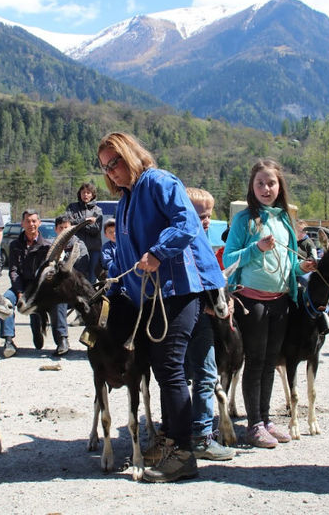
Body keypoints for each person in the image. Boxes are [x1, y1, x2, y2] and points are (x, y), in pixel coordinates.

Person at [98, 132, 226, 483]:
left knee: (170, 368)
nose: (111, 173)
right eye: (105, 168)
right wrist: (111, 280)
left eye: (115, 163)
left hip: (178, 287)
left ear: (130, 155)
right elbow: (125, 256)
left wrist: (158, 252)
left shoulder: (159, 181)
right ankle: (172, 443)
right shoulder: (124, 201)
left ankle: (184, 453)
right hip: (150, 297)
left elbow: (186, 222)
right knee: (161, 368)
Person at [222, 159, 317, 450]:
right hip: (252, 301)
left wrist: (303, 267)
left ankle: (265, 419)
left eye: (271, 183)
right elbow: (229, 259)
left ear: (280, 186)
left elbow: (288, 263)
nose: (266, 188)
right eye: (260, 183)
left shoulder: (285, 219)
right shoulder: (244, 220)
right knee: (255, 361)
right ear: (252, 186)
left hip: (281, 302)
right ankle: (254, 426)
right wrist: (257, 247)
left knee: (272, 360)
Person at [182, 187, 235, 461]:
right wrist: (204, 306)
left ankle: (189, 432)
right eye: (200, 214)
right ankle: (198, 436)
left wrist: (227, 299)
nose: (206, 220)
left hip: (204, 318)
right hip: (193, 319)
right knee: (201, 375)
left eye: (209, 215)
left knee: (202, 374)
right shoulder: (184, 245)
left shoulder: (203, 244)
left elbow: (216, 281)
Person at [0, 209, 52, 358]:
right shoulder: (15, 245)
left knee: (35, 312)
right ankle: (9, 340)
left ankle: (37, 333)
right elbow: (13, 271)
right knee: (6, 302)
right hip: (19, 285)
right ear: (22, 223)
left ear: (39, 223)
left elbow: (44, 272)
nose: (31, 224)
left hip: (36, 287)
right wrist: (19, 291)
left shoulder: (46, 246)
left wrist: (34, 292)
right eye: (28, 221)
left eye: (34, 221)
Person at [49, 215, 89, 356]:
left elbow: (81, 271)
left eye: (67, 228)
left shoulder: (79, 246)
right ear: (56, 229)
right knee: (56, 301)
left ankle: (90, 340)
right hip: (55, 290)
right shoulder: (50, 246)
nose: (65, 231)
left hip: (75, 290)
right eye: (61, 228)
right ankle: (62, 340)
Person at [65, 182, 103, 283]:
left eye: (88, 192)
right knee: (75, 277)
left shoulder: (98, 210)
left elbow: (96, 229)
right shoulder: (72, 207)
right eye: (83, 192)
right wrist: (87, 220)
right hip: (76, 248)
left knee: (91, 278)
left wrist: (79, 224)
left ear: (93, 195)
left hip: (93, 249)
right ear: (79, 194)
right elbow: (69, 223)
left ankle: (92, 299)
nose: (85, 195)